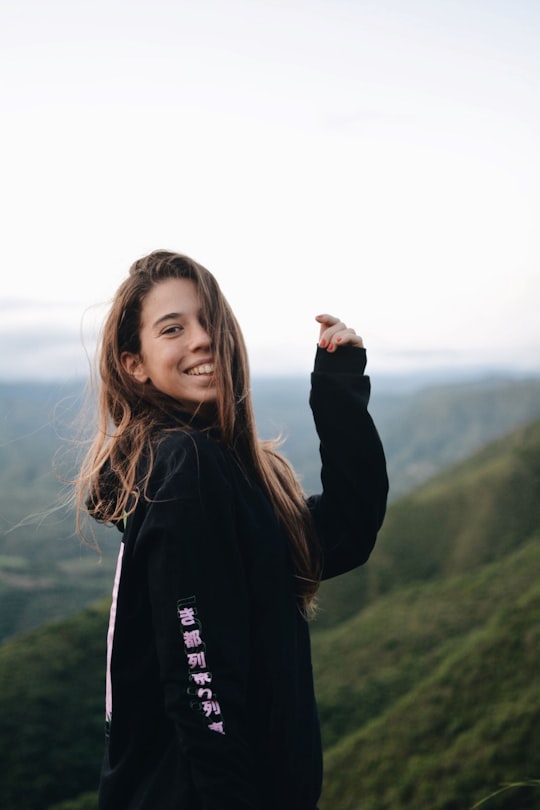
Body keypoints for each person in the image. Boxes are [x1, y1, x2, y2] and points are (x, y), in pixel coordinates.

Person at [77, 250, 388, 810]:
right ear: (134, 365)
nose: (202, 340)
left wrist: (339, 385)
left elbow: (344, 532)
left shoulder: (222, 468)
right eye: (173, 328)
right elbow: (201, 688)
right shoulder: (186, 466)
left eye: (210, 321)